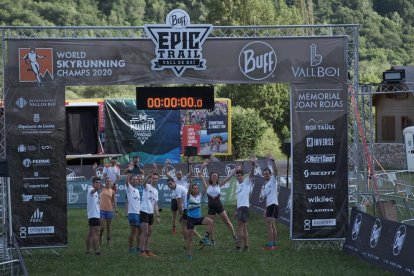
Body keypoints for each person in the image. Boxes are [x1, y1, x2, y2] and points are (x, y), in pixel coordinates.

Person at [199, 159, 237, 245]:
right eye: (213, 176)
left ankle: (234, 236)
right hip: (211, 207)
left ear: (217, 177)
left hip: (219, 206)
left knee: (227, 221)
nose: (214, 177)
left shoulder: (219, 185)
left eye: (216, 176)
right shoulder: (207, 185)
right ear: (210, 177)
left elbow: (228, 177)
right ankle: (212, 240)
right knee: (211, 224)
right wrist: (203, 166)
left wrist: (234, 170)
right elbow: (200, 175)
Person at [185, 183, 214, 260]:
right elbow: (188, 191)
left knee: (211, 222)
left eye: (197, 188)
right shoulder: (189, 196)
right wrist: (190, 183)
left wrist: (202, 177)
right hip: (190, 219)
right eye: (194, 188)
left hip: (198, 218)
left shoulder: (199, 196)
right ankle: (189, 254)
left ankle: (205, 237)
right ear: (191, 189)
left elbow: (205, 187)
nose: (195, 189)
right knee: (190, 238)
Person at [233, 156, 256, 251]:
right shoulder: (238, 185)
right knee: (244, 228)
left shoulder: (247, 182)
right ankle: (246, 247)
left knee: (239, 228)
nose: (238, 177)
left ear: (243, 176)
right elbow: (239, 199)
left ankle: (238, 247)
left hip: (244, 208)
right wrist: (236, 209)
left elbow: (252, 174)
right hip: (240, 208)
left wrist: (253, 164)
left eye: (240, 176)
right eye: (237, 176)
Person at [164, 159, 191, 234]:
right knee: (174, 214)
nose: (179, 175)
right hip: (174, 198)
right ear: (175, 175)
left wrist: (190, 163)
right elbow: (166, 173)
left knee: (183, 214)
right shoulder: (173, 180)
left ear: (182, 174)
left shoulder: (184, 179)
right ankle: (174, 228)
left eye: (180, 174)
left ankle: (186, 228)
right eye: (177, 174)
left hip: (182, 199)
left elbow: (191, 172)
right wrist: (166, 164)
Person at [139, 164, 160, 257]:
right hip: (144, 211)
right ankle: (142, 251)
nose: (155, 180)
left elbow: (155, 204)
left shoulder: (156, 191)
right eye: (153, 178)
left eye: (156, 178)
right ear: (151, 179)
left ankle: (147, 250)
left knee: (150, 233)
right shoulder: (147, 186)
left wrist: (158, 216)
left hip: (151, 213)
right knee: (145, 232)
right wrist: (149, 174)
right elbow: (143, 182)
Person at [260, 156, 279, 251]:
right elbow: (266, 198)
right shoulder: (265, 185)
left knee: (269, 225)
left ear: (270, 174)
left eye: (267, 174)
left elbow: (276, 171)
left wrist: (273, 161)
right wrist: (265, 209)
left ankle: (270, 245)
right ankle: (273, 244)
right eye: (264, 174)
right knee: (272, 225)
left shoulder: (273, 180)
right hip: (269, 206)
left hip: (274, 204)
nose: (266, 176)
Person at [166, 178, 188, 247]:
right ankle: (195, 238)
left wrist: (181, 214)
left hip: (188, 207)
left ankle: (188, 243)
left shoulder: (177, 189)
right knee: (188, 225)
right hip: (187, 206)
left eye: (170, 184)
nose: (169, 186)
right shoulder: (176, 189)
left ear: (174, 182)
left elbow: (179, 203)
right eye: (168, 185)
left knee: (184, 226)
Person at [125, 170, 142, 254]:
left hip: (139, 213)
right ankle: (130, 248)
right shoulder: (129, 188)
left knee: (140, 231)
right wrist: (129, 170)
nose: (135, 180)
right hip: (132, 213)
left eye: (136, 179)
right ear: (131, 180)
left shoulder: (137, 190)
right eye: (133, 179)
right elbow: (126, 181)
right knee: (133, 231)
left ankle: (138, 248)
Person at [85, 177, 101, 255]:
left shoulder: (95, 192)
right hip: (94, 216)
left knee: (90, 233)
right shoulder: (91, 190)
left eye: (99, 183)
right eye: (97, 183)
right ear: (93, 183)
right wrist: (96, 188)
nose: (98, 184)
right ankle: (97, 251)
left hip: (93, 215)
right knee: (95, 233)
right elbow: (93, 190)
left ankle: (88, 250)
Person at [99, 177, 116, 246]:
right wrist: (94, 169)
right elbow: (98, 180)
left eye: (110, 181)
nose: (108, 182)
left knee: (109, 226)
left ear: (111, 183)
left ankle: (109, 240)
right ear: (105, 182)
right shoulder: (102, 188)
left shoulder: (112, 191)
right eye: (107, 181)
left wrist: (115, 210)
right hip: (102, 210)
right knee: (102, 227)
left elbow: (113, 201)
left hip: (109, 211)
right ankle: (100, 236)